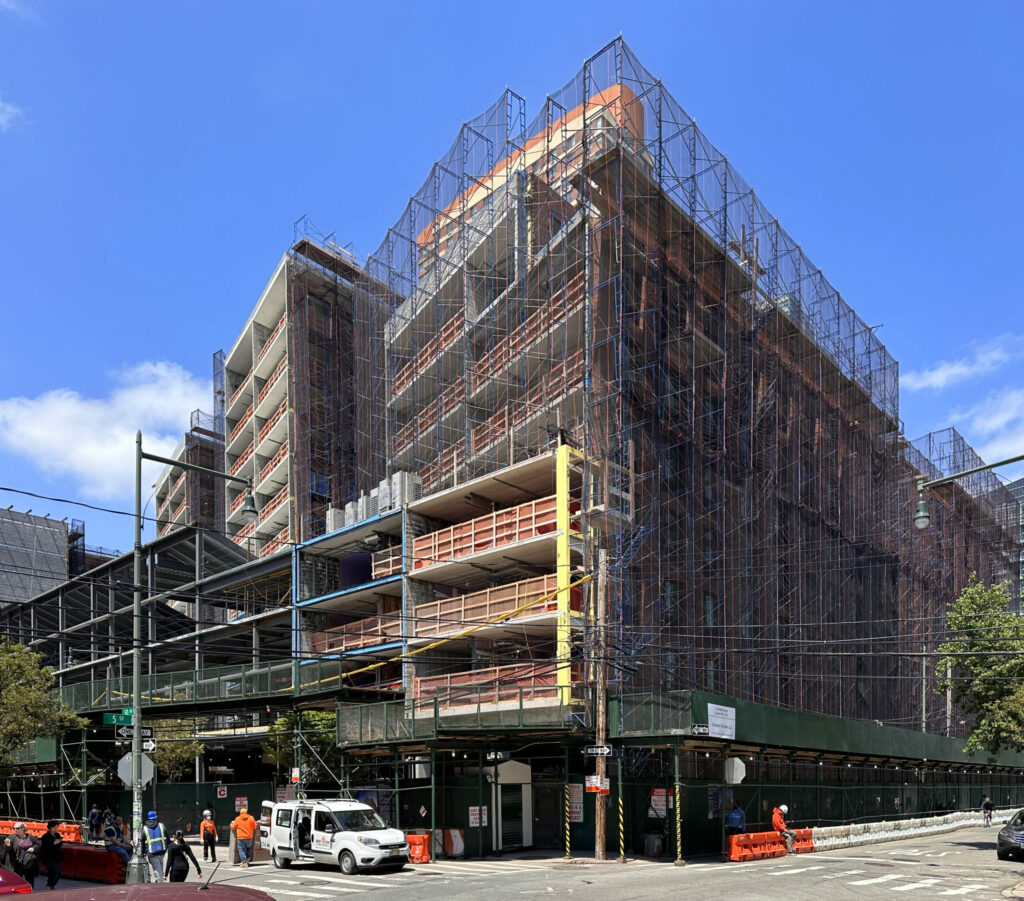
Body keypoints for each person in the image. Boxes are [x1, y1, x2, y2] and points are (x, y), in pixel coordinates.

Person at [5, 822, 40, 888]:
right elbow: (8, 851)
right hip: (17, 863)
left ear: (22, 829)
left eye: (17, 828)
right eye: (14, 828)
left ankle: (30, 894)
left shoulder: (30, 837)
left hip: (28, 862)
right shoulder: (11, 837)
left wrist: (33, 848)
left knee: (30, 880)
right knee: (16, 881)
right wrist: (8, 846)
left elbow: (37, 845)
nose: (15, 830)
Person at [143, 810, 169, 883]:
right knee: (160, 868)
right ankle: (159, 881)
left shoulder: (144, 828)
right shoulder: (161, 825)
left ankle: (159, 883)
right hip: (162, 851)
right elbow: (167, 838)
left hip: (152, 853)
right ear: (155, 818)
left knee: (157, 869)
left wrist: (143, 852)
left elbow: (142, 841)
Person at [40, 820, 64, 890]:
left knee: (58, 873)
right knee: (53, 870)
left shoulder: (57, 835)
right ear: (50, 828)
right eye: (55, 827)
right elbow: (45, 846)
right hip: (48, 857)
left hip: (57, 856)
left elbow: (60, 844)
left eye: (57, 827)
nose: (56, 829)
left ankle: (52, 884)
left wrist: (58, 843)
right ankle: (49, 884)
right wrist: (53, 844)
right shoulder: (45, 836)